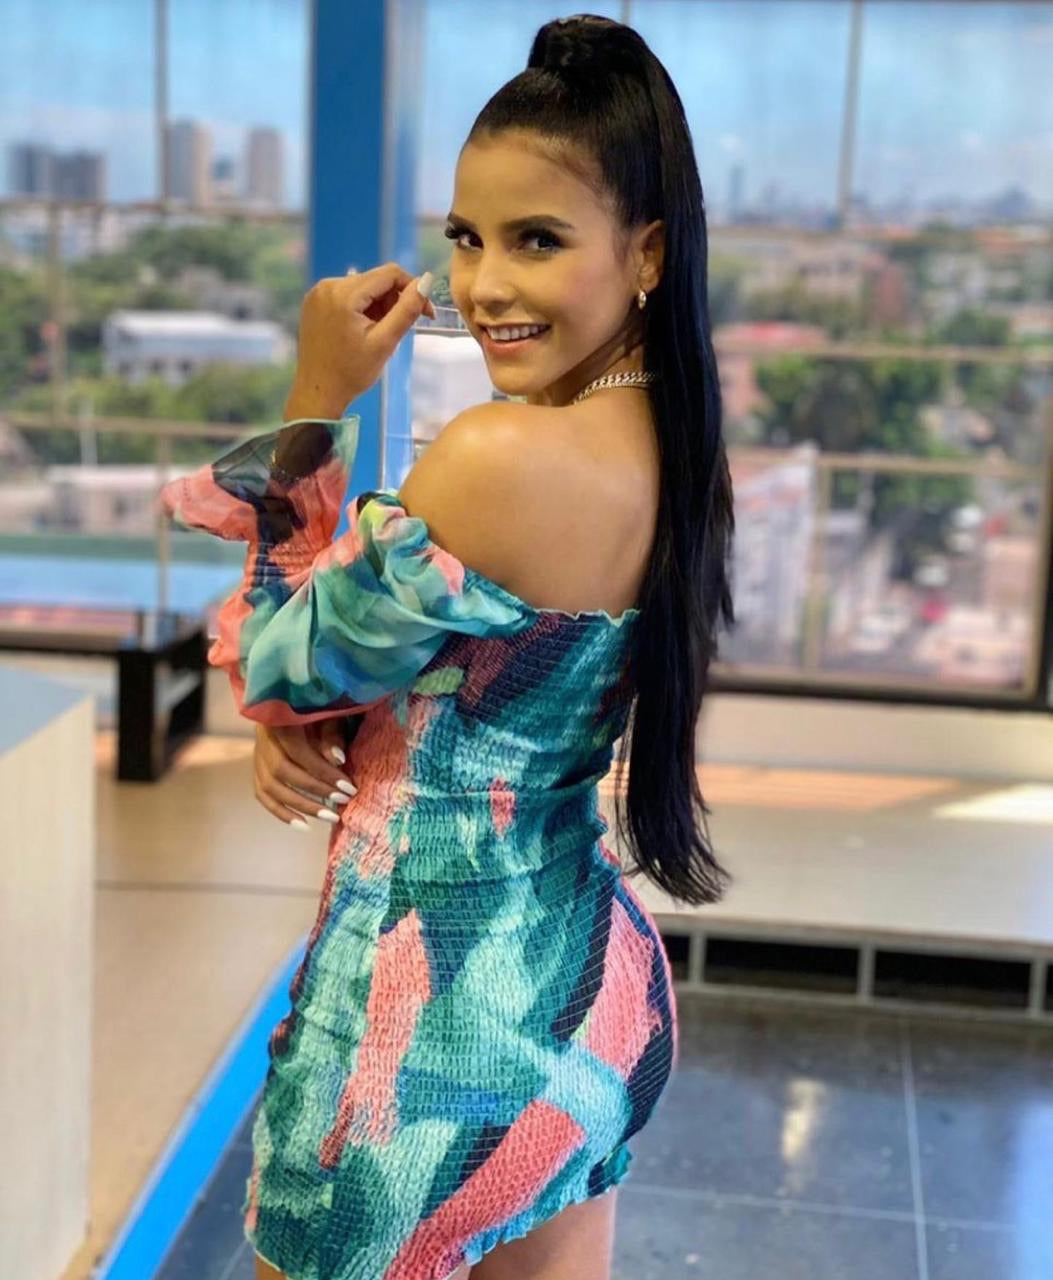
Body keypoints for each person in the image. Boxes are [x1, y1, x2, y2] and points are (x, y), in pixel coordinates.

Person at [160, 13, 736, 1280]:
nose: (484, 287)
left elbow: (278, 663)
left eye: (538, 239)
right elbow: (456, 681)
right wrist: (335, 722)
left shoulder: (495, 455)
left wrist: (319, 394)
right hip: (584, 991)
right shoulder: (676, 449)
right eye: (468, 238)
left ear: (645, 252)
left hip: (414, 1031)